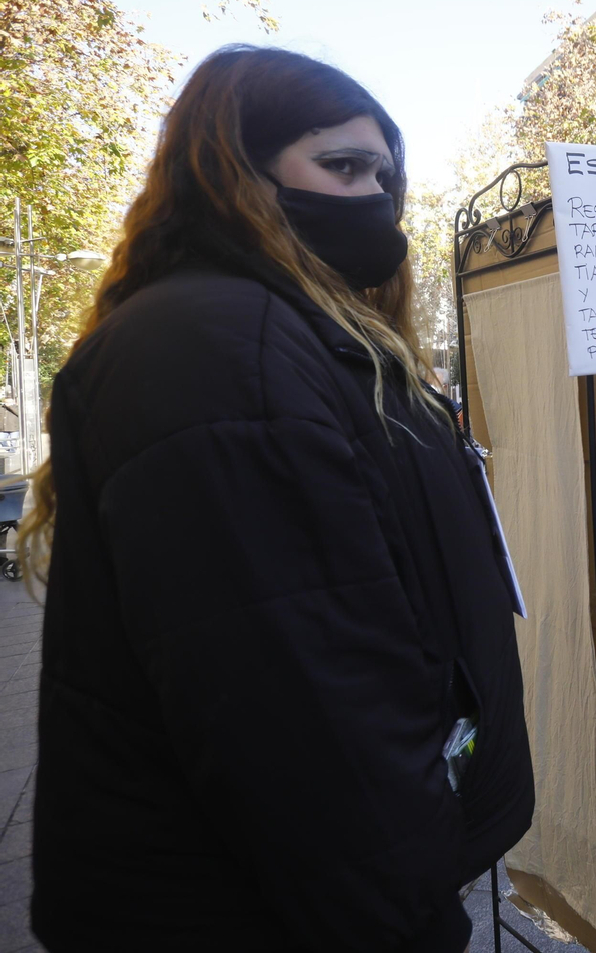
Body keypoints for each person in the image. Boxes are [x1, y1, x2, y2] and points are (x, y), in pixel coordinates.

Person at [24, 47, 535, 952]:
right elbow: (300, 707)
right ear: (230, 170)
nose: (375, 197)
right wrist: (403, 907)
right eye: (341, 166)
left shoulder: (291, 334)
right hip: (273, 908)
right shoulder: (220, 349)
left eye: (385, 174)